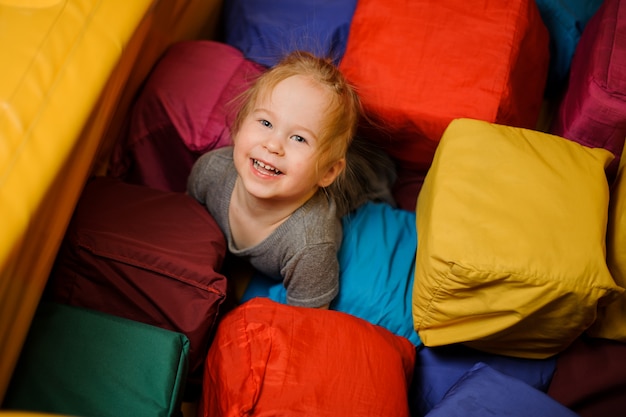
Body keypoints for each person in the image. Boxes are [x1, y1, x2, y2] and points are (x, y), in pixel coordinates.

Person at [187, 50, 395, 309]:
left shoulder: (310, 245)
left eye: (299, 138)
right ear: (239, 127)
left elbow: (304, 322)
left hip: (371, 177)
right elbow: (189, 235)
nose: (273, 144)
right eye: (265, 122)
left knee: (380, 174)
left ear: (328, 173)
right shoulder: (211, 173)